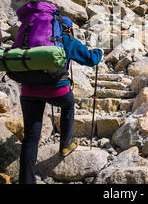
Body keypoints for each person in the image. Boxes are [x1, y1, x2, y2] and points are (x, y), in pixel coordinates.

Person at [18, 17, 103, 184]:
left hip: (28, 89)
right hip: (56, 89)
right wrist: (98, 52)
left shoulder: (31, 36)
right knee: (68, 105)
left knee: (30, 137)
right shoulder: (65, 38)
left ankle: (26, 180)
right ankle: (66, 144)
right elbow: (91, 59)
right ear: (68, 29)